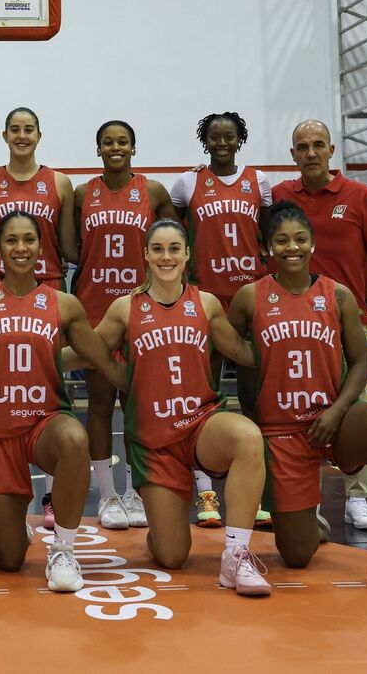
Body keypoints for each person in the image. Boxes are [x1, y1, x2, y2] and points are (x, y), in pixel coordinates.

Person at [227, 202, 367, 592]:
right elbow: (230, 354)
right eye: (281, 240)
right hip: (282, 433)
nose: (292, 247)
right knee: (297, 555)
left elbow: (360, 365)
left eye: (300, 239)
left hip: (333, 421)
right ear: (267, 247)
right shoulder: (249, 297)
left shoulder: (338, 296)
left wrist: (337, 410)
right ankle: (303, 518)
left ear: (313, 243)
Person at [0, 211, 129, 592]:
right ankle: (12, 525)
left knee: (74, 438)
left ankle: (63, 550)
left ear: (41, 247)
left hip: (44, 423)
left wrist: (148, 385)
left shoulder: (64, 305)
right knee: (8, 559)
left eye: (29, 240)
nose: (21, 248)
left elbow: (103, 360)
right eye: (11, 240)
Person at [76, 219, 271, 596]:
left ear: (187, 255)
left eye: (174, 249)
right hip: (155, 443)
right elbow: (89, 352)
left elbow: (243, 352)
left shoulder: (206, 303)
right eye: (158, 249)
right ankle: (163, 522)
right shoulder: (125, 308)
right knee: (172, 555)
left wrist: (296, 341)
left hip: (200, 425)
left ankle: (236, 555)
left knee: (248, 437)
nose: (166, 257)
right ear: (146, 256)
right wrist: (36, 353)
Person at [272, 119, 367, 533]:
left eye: (318, 145)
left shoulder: (359, 195)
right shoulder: (279, 195)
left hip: (349, 321)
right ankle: (301, 499)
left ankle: (357, 498)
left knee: (355, 408)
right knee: (296, 410)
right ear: (292, 155)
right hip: (292, 325)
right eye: (302, 146)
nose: (310, 152)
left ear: (331, 150)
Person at [69, 119, 177, 531]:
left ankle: (135, 492)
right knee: (99, 403)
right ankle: (107, 495)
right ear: (98, 149)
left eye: (123, 142)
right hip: (96, 309)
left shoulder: (153, 192)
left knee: (139, 406)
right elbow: (69, 247)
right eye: (108, 142)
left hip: (141, 311)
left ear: (134, 147)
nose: (116, 147)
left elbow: (175, 241)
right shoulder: (83, 194)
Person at [171, 112, 273, 530]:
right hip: (207, 300)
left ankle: (256, 493)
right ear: (205, 141)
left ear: (240, 139)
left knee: (253, 397)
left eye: (229, 136)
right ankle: (206, 493)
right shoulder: (187, 183)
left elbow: (269, 234)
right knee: (202, 396)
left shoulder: (259, 181)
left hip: (250, 298)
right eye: (214, 137)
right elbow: (174, 231)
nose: (222, 143)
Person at [0, 107, 76, 290]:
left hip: (48, 280)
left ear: (39, 136)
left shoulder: (60, 183)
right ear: (5, 136)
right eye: (15, 130)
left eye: (28, 130)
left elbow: (68, 247)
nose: (21, 136)